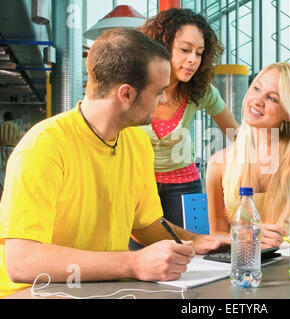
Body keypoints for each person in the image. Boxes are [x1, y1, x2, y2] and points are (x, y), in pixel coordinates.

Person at [0, 28, 227, 298]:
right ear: (126, 94)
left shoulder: (137, 143)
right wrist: (134, 263)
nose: (164, 99)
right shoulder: (43, 148)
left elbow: (145, 225)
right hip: (36, 292)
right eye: (159, 92)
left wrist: (199, 241)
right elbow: (22, 261)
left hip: (104, 289)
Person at [206, 62, 290, 248]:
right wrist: (249, 235)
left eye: (272, 98)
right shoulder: (218, 163)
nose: (257, 100)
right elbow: (218, 237)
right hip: (245, 268)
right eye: (256, 88)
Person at [138, 8, 239, 228]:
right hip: (137, 182)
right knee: (138, 255)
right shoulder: (135, 87)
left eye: (199, 53)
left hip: (183, 183)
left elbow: (235, 134)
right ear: (162, 47)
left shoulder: (200, 91)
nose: (193, 59)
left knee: (193, 253)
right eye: (185, 49)